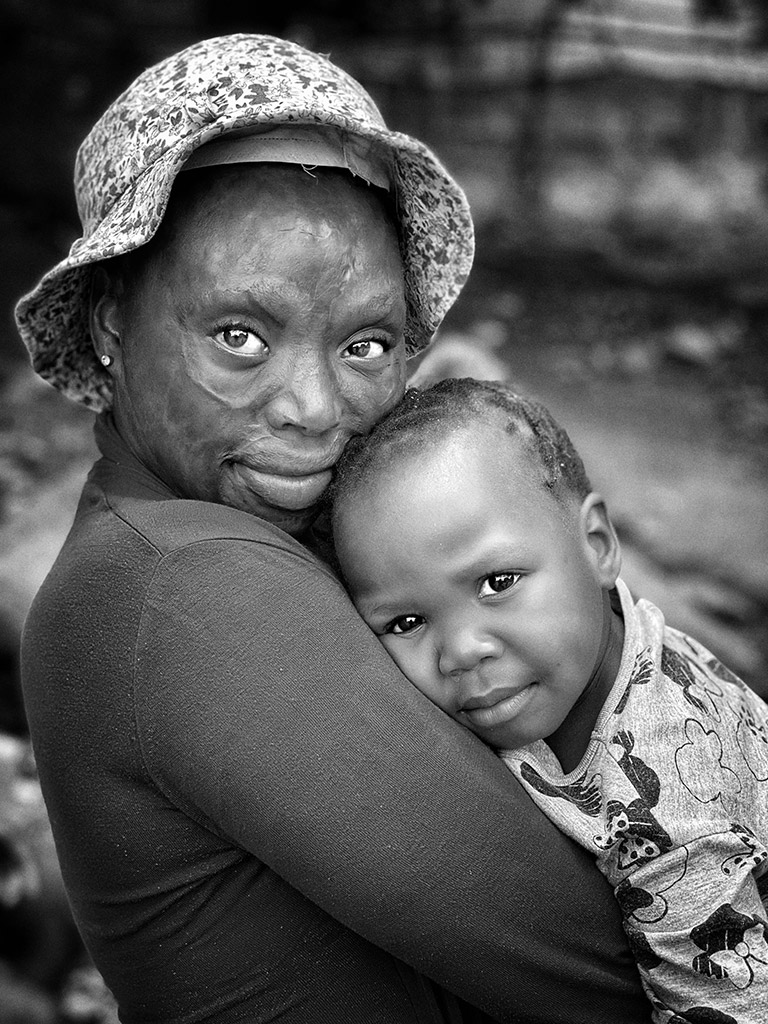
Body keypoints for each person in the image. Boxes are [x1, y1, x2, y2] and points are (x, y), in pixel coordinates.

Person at [15, 34, 650, 1024]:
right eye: (240, 336)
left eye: (365, 344)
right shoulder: (185, 590)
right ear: (110, 319)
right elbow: (632, 970)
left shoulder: (194, 549)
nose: (316, 409)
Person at [329, 377, 768, 1024]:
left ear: (597, 547)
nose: (461, 650)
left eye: (497, 582)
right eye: (405, 623)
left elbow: (727, 1005)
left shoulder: (672, 808)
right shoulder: (577, 662)